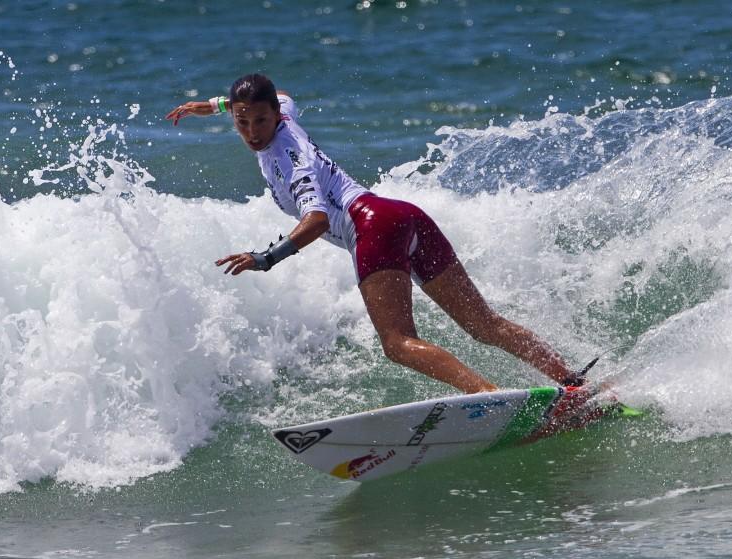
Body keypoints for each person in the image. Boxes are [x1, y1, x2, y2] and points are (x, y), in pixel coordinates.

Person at [165, 73, 586, 393]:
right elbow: (288, 96)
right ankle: (572, 382)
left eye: (261, 120)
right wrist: (213, 105)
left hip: (372, 225)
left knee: (397, 343)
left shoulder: (288, 159)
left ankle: (490, 397)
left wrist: (266, 258)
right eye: (242, 121)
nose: (253, 131)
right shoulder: (286, 115)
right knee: (483, 325)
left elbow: (317, 220)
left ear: (275, 116)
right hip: (401, 214)